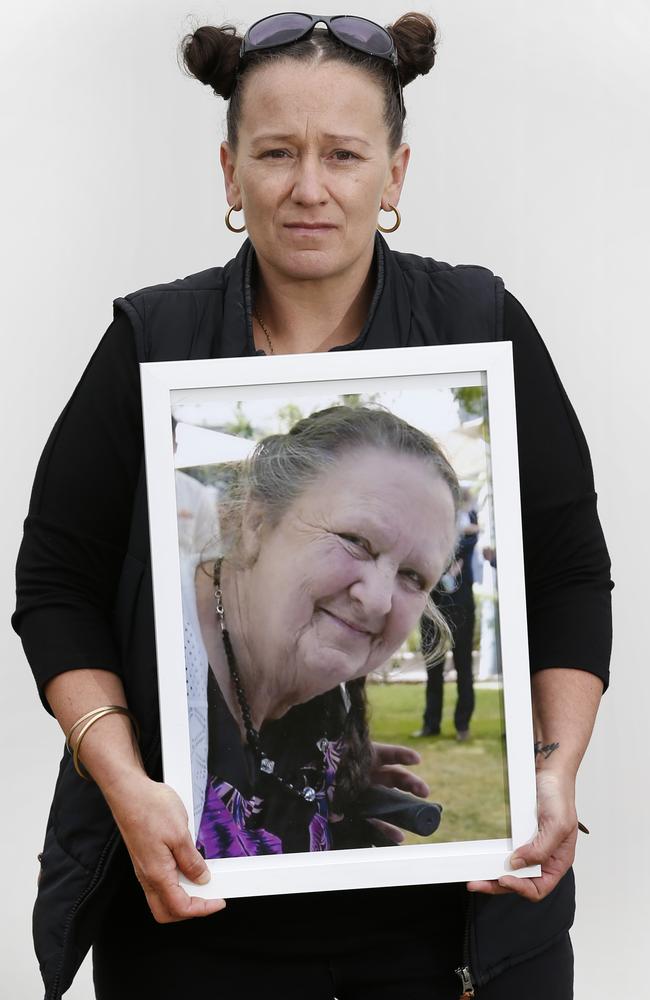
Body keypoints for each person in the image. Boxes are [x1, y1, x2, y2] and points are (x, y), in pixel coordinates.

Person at [11, 11, 612, 1000]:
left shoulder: (479, 323)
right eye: (276, 152)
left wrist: (547, 767)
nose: (308, 187)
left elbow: (564, 569)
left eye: (342, 153)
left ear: (395, 174)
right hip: (192, 931)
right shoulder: (149, 341)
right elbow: (57, 584)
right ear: (228, 171)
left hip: (450, 933)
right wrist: (121, 776)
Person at [182, 404, 458, 857]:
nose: (379, 599)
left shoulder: (331, 706)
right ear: (256, 522)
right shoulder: (146, 665)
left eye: (413, 577)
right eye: (356, 542)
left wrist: (333, 793)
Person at [416, 487, 480, 740]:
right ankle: (431, 724)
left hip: (461, 603)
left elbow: (466, 543)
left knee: (464, 665)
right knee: (433, 665)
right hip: (432, 603)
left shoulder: (468, 522)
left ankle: (462, 726)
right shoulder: (429, 524)